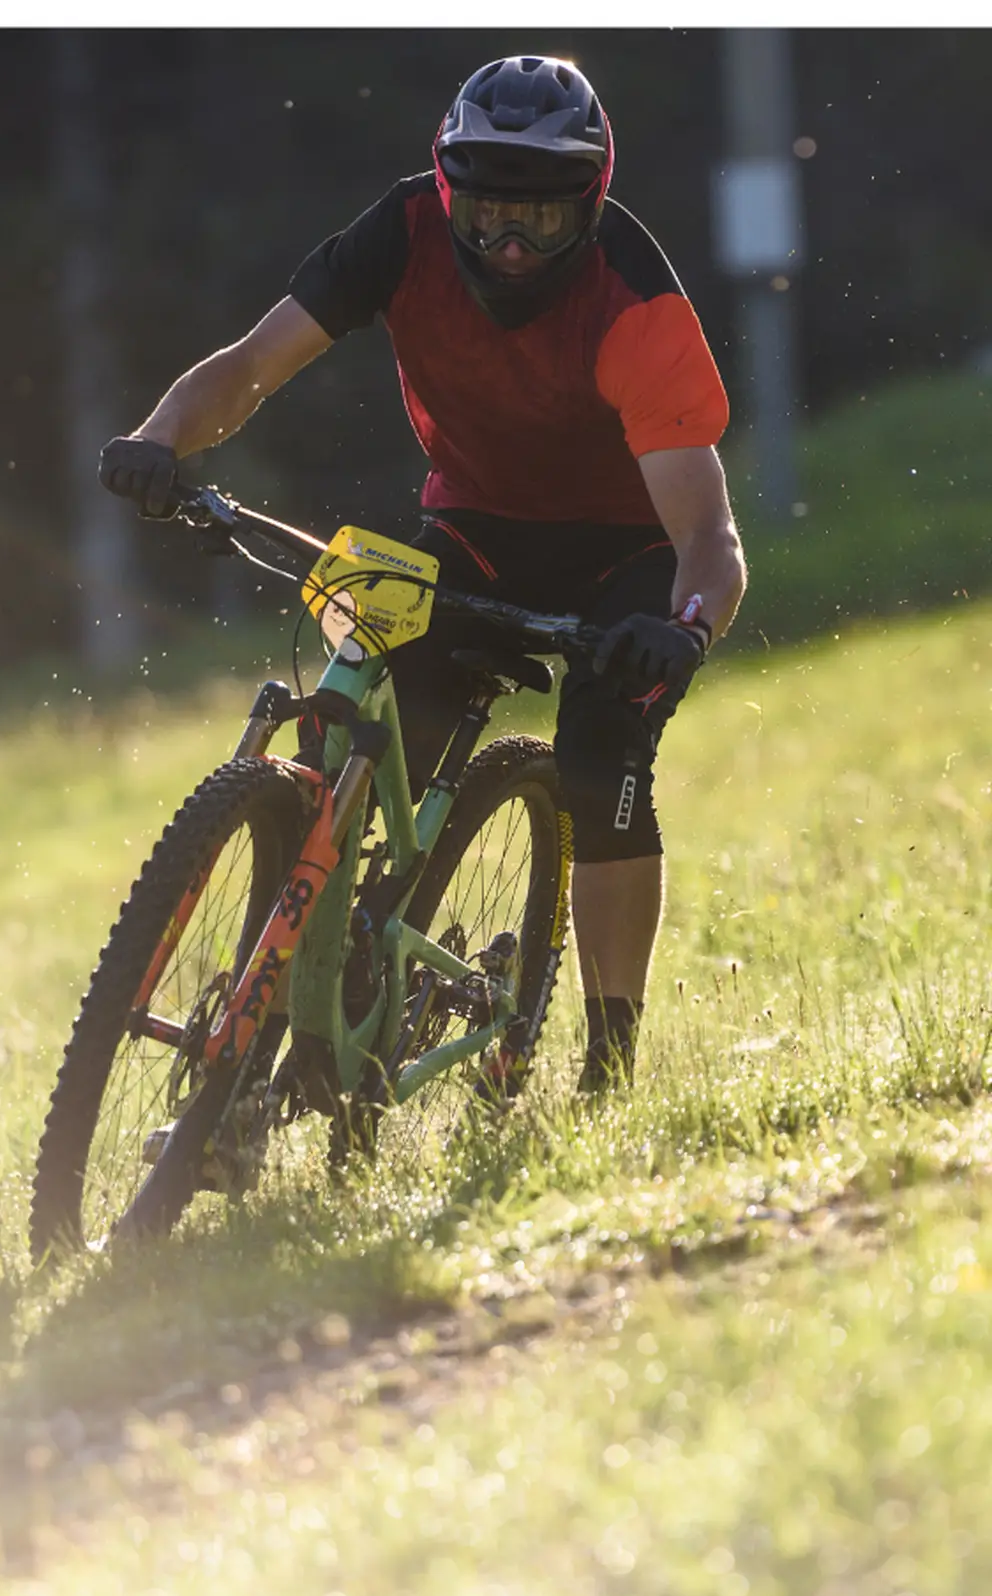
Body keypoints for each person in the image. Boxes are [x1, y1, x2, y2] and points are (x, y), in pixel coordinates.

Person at [99, 54, 747, 1097]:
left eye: (540, 219)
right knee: (371, 715)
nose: (509, 243)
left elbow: (710, 535)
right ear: (447, 190)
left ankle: (608, 1062)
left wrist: (689, 624)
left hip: (629, 557)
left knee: (599, 756)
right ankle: (344, 963)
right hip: (478, 530)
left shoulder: (636, 302)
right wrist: (162, 435)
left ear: (590, 203)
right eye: (487, 211)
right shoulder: (398, 237)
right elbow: (254, 364)